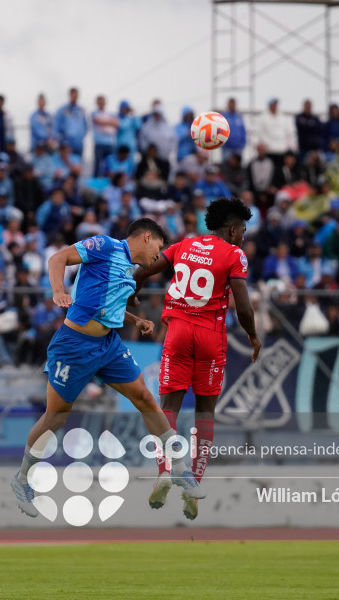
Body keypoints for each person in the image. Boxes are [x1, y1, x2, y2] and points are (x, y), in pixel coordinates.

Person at [9, 218, 206, 519]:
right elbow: (57, 258)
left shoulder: (128, 270)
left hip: (108, 346)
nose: (159, 254)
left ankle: (178, 468)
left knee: (143, 397)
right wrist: (58, 290)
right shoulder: (104, 245)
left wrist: (135, 320)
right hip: (74, 346)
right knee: (55, 417)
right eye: (159, 246)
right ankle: (22, 479)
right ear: (147, 237)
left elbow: (108, 304)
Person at [132, 198, 261, 520]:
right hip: (210, 336)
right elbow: (243, 306)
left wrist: (135, 288)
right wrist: (254, 336)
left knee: (168, 408)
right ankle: (194, 484)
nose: (243, 236)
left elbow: (145, 268)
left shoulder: (184, 245)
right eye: (242, 230)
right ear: (231, 229)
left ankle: (165, 472)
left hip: (176, 331)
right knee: (205, 411)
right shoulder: (234, 254)